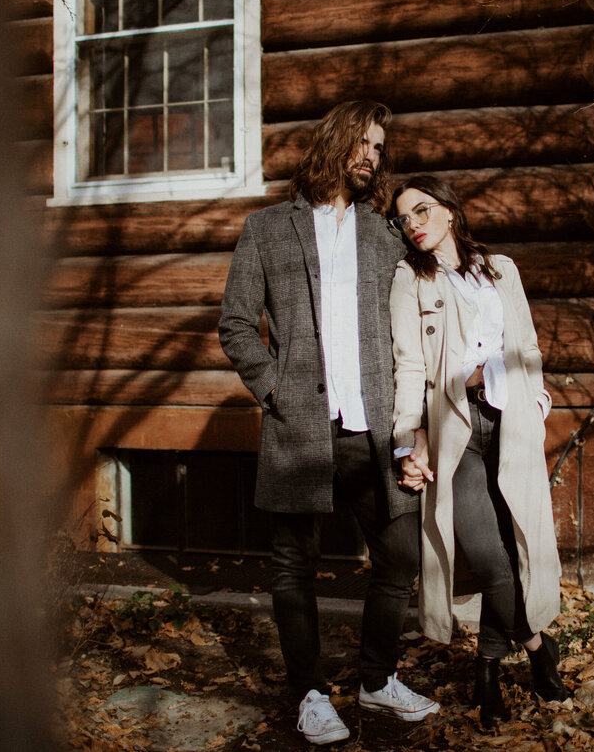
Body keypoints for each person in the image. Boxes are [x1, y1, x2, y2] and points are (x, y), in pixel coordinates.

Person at [218, 101, 439, 745]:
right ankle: (310, 694)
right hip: (300, 429)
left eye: (379, 147)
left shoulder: (384, 234)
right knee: (293, 566)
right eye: (363, 144)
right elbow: (236, 322)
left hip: (375, 431)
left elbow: (418, 312)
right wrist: (274, 387)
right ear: (334, 143)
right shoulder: (266, 229)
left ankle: (376, 680)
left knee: (399, 554)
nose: (372, 156)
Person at [387, 174, 568, 728]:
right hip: (456, 431)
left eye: (421, 211)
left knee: (516, 547)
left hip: (509, 422)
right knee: (490, 558)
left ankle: (487, 671)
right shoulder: (409, 279)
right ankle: (537, 648)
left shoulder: (500, 269)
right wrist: (405, 438)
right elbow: (410, 364)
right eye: (403, 219)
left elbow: (527, 344)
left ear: (448, 209)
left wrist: (536, 400)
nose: (412, 225)